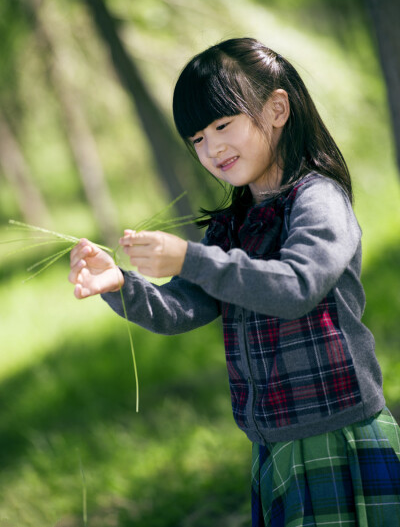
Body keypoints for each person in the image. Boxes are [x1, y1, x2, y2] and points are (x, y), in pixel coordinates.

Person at [69, 38, 400, 526]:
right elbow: (183, 309)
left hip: (337, 430)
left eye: (223, 125)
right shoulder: (232, 226)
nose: (212, 147)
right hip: (273, 442)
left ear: (277, 109)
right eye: (198, 138)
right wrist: (120, 284)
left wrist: (190, 257)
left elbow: (298, 286)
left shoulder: (317, 199)